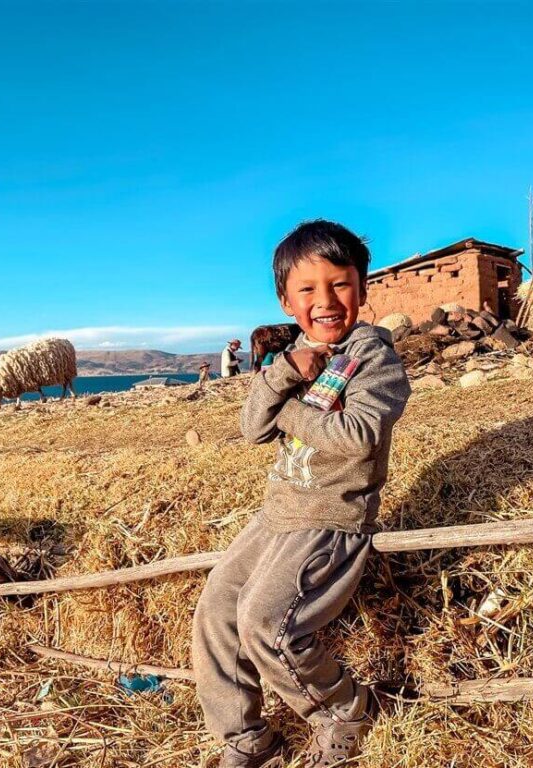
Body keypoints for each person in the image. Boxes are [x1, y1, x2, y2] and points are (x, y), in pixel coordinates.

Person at [192, 220, 411, 767]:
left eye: (339, 284)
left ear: (361, 288)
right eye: (308, 289)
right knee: (216, 610)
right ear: (286, 302)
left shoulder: (373, 358)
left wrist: (284, 410)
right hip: (276, 515)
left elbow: (358, 436)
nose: (326, 301)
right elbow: (252, 427)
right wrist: (282, 373)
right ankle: (246, 738)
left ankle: (344, 709)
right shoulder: (294, 355)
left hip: (330, 519)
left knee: (266, 622)